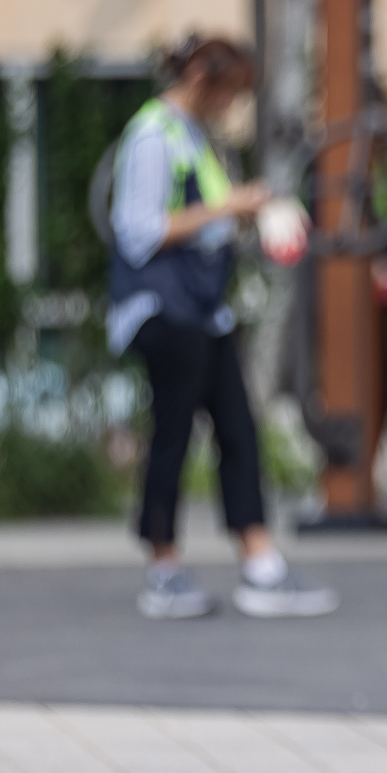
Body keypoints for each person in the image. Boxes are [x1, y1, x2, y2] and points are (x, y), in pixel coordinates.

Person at [108, 34, 335, 620]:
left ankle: (260, 564)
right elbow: (138, 230)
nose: (233, 107)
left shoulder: (194, 137)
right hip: (164, 310)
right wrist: (230, 208)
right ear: (205, 82)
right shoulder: (154, 135)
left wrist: (247, 215)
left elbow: (202, 222)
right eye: (231, 94)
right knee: (173, 437)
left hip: (205, 310)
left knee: (238, 430)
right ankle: (163, 568)